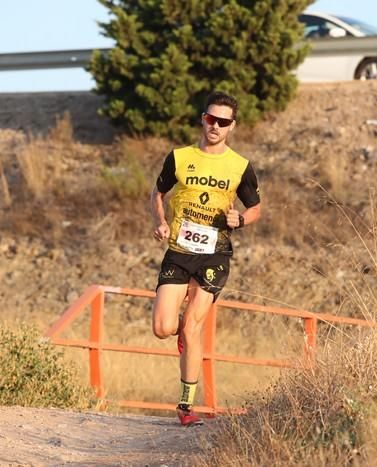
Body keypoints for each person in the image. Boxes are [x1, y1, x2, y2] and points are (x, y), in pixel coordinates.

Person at [150, 91, 261, 427]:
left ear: (232, 126)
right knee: (163, 328)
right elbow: (158, 193)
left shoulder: (239, 166)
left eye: (223, 122)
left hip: (215, 254)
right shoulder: (179, 157)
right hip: (180, 252)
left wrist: (240, 220)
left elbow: (255, 208)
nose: (215, 126)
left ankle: (186, 407)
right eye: (210, 119)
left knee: (193, 325)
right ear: (203, 119)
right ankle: (180, 329)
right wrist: (160, 221)